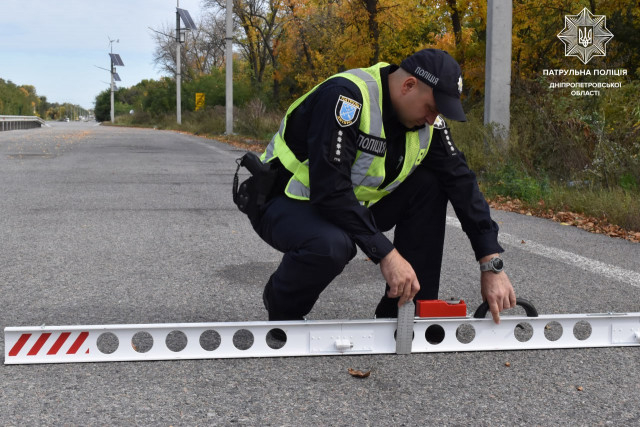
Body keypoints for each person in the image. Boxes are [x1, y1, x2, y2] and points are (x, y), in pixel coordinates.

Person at [240, 48, 516, 324]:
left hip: (352, 205)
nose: (433, 119)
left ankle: (406, 311)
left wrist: (490, 262)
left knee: (431, 183)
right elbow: (331, 190)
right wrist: (387, 254)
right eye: (432, 108)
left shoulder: (428, 123)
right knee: (332, 244)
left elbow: (462, 182)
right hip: (285, 201)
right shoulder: (345, 98)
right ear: (409, 85)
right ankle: (283, 309)